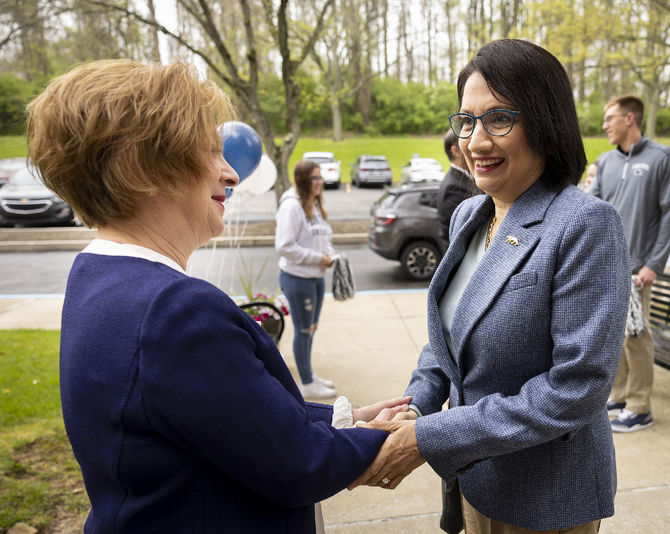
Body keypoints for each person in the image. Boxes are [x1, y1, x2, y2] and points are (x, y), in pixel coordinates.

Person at [27, 59, 409, 532]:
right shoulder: (175, 312)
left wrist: (340, 420)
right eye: (209, 151)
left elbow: (220, 414)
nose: (230, 174)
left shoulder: (95, 276)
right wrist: (388, 438)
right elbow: (298, 466)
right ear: (143, 166)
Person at [351, 39, 631, 533]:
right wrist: (414, 406)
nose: (475, 141)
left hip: (545, 499)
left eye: (499, 118)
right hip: (473, 482)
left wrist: (428, 436)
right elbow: (448, 340)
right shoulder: (468, 214)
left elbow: (577, 388)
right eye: (466, 120)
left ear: (545, 122)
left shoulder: (585, 223)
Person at [587, 94, 670, 432]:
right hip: (608, 266)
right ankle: (623, 393)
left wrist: (654, 263)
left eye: (610, 118)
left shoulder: (662, 158)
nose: (604, 125)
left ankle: (640, 407)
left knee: (637, 336)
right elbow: (591, 207)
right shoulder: (606, 161)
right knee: (616, 337)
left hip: (638, 268)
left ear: (630, 119)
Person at [276, 160, 339, 399]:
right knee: (304, 330)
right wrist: (318, 258)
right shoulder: (292, 207)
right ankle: (306, 382)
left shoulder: (313, 205)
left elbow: (324, 239)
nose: (320, 181)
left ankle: (309, 375)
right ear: (303, 180)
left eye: (320, 177)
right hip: (298, 278)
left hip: (316, 278)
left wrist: (329, 255)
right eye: (314, 178)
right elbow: (285, 246)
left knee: (311, 329)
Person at [437, 129, 479, 241]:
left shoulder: (464, 178)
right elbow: (466, 232)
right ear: (455, 151)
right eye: (468, 145)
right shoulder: (452, 188)